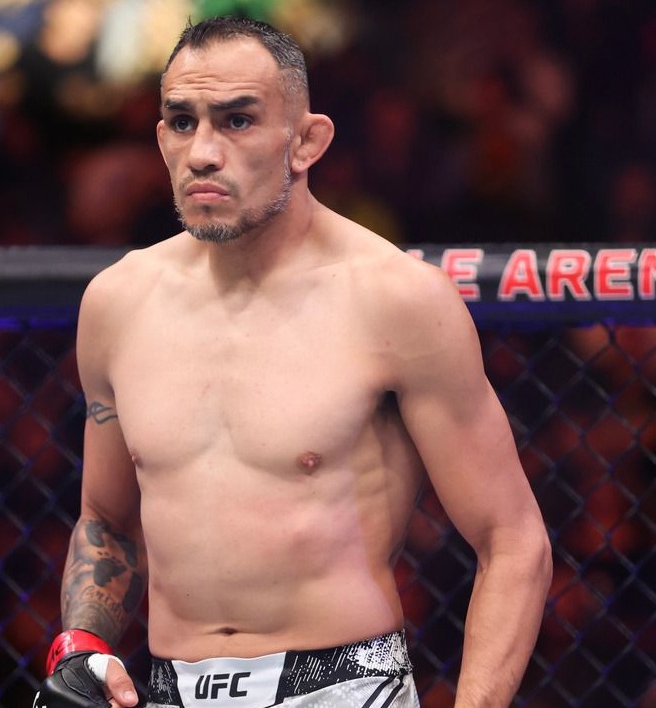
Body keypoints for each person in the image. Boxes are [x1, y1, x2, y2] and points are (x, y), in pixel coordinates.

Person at [34, 16, 552, 708]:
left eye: (237, 120)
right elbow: (106, 518)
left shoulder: (394, 299)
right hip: (168, 688)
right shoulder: (117, 303)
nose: (203, 152)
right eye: (183, 123)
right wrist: (80, 646)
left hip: (343, 686)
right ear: (160, 140)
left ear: (307, 141)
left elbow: (512, 540)